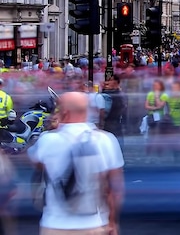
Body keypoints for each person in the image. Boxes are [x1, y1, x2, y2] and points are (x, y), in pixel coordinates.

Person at [28, 92, 124, 235]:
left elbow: (35, 162)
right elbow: (114, 189)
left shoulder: (47, 140)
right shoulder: (105, 140)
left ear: (64, 112)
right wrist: (112, 222)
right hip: (94, 224)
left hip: (54, 225)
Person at [102, 75, 127, 150]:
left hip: (111, 122)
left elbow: (105, 111)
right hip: (114, 123)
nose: (107, 83)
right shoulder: (118, 94)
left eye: (110, 80)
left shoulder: (112, 95)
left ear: (116, 83)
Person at [144, 79, 167, 156]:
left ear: (161, 86)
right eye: (154, 85)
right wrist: (154, 108)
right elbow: (146, 106)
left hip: (160, 117)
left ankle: (159, 152)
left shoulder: (164, 95)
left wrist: (157, 97)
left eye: (157, 85)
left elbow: (161, 106)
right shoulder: (150, 94)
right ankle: (148, 152)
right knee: (151, 134)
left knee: (159, 134)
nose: (155, 87)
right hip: (151, 116)